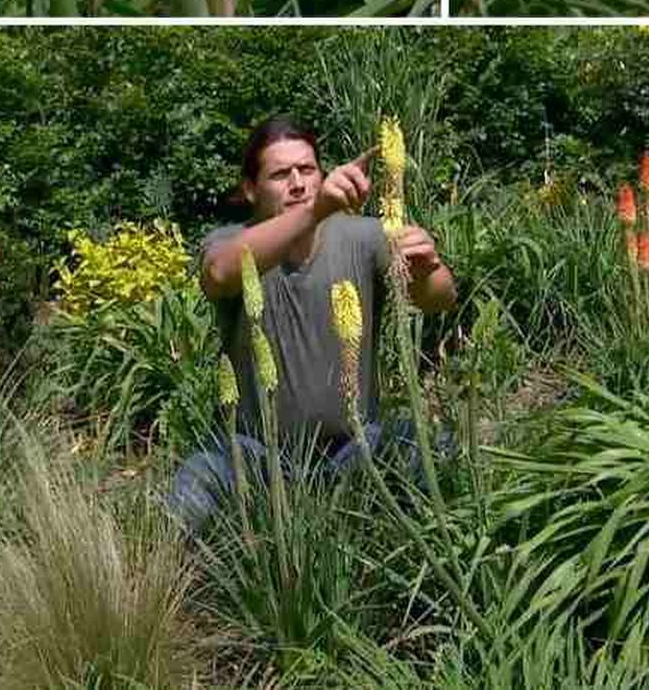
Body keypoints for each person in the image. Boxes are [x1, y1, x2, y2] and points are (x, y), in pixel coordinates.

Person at [169, 114, 457, 532]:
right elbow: (220, 274)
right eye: (280, 174)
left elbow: (441, 297)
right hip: (256, 454)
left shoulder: (363, 235)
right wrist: (318, 209)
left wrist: (428, 266)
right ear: (250, 188)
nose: (298, 184)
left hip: (354, 447)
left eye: (307, 170)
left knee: (436, 450)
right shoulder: (231, 240)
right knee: (193, 485)